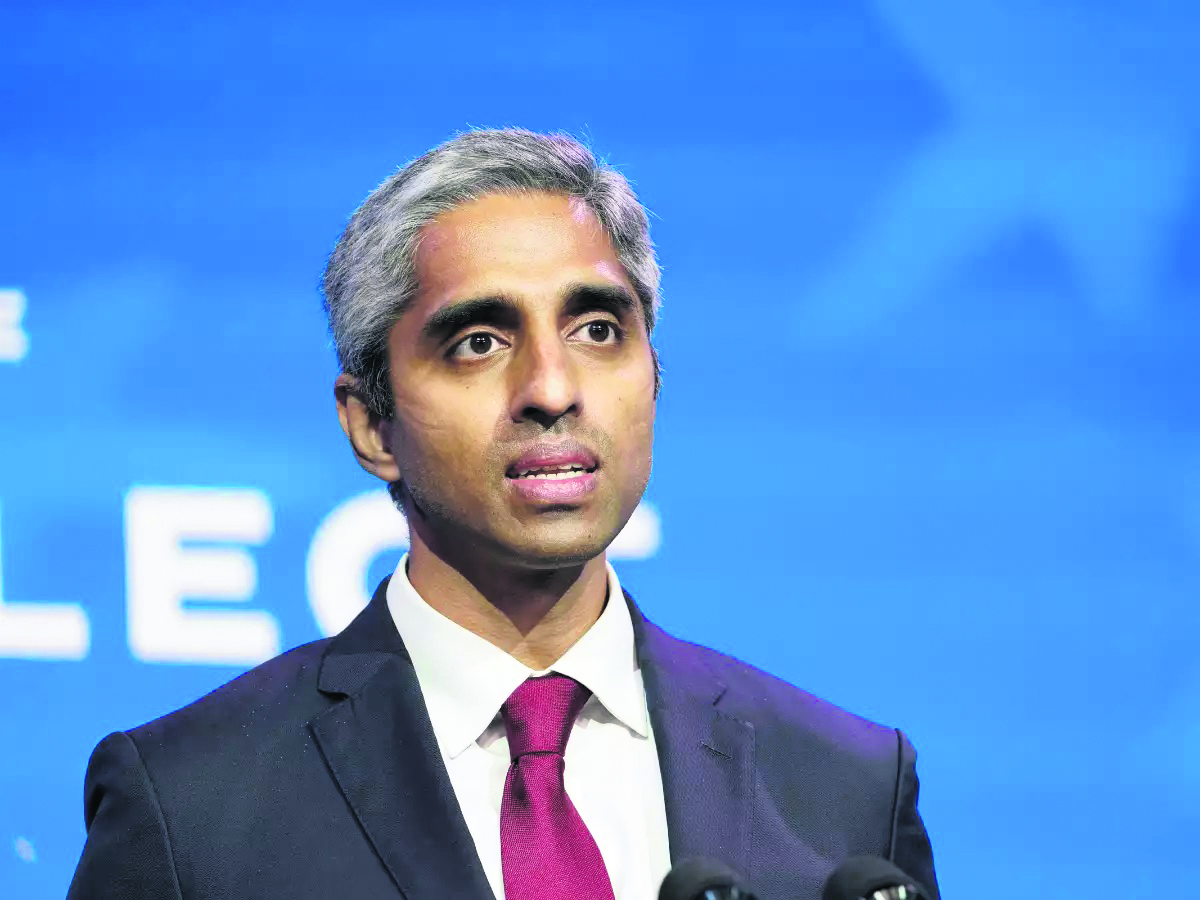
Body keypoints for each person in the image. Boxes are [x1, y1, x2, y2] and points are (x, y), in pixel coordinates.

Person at [67, 128, 939, 900]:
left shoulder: (846, 789)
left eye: (597, 330)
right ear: (371, 424)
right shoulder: (191, 805)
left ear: (654, 378)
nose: (552, 390)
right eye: (479, 343)